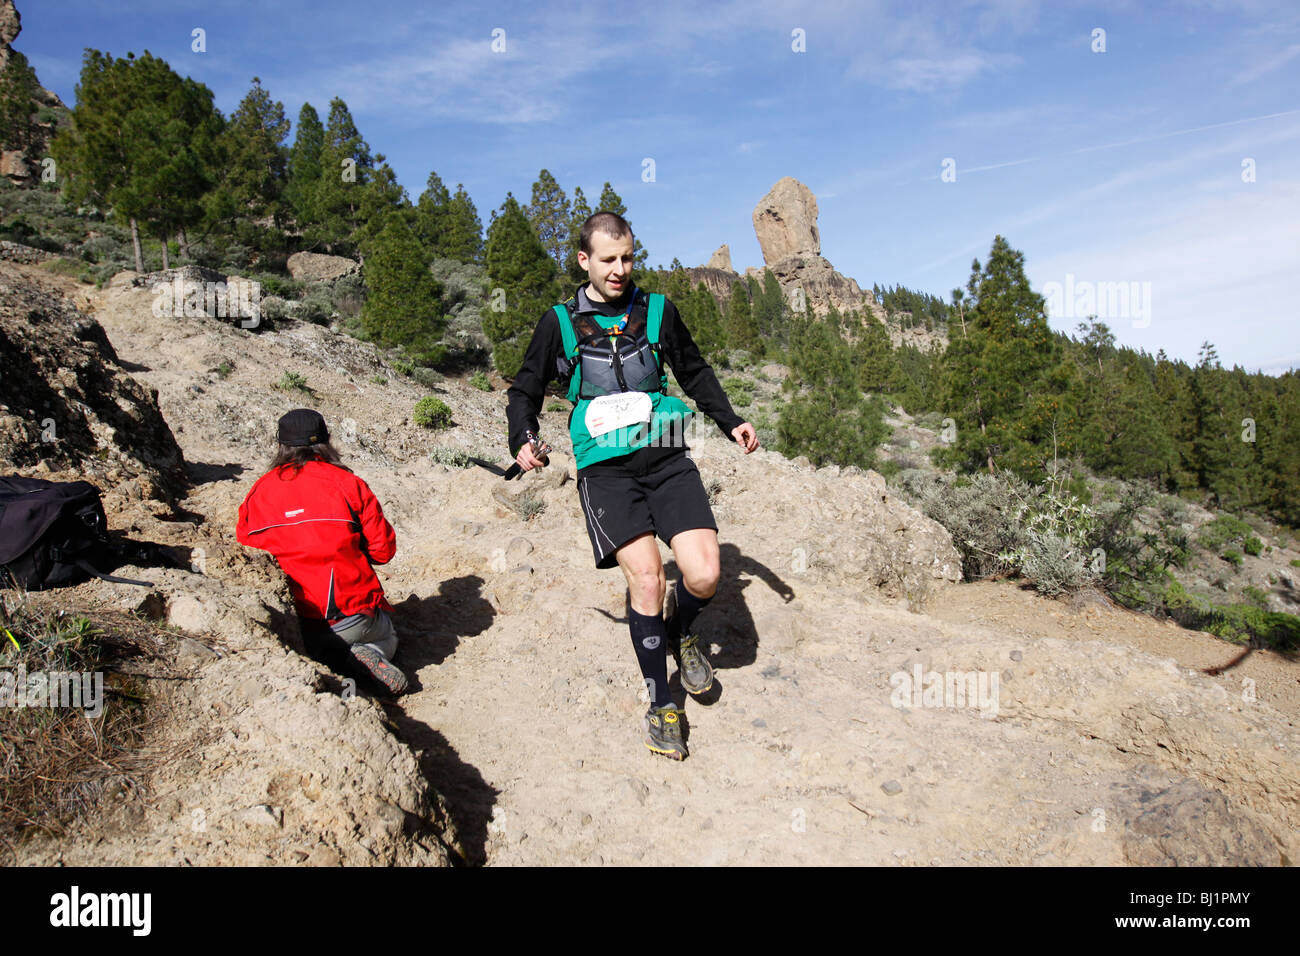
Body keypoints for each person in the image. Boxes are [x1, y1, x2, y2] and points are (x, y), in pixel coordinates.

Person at [507, 211, 759, 760]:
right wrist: (522, 436)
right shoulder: (559, 322)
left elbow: (693, 371)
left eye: (627, 258)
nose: (619, 270)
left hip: (667, 450)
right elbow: (525, 388)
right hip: (606, 468)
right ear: (584, 261)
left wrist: (728, 418)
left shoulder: (658, 310)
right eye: (607, 260)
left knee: (705, 573)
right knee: (647, 581)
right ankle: (659, 702)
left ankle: (681, 632)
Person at [236, 408, 409, 695]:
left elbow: (247, 554)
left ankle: (330, 660)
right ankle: (368, 654)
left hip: (292, 622)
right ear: (325, 442)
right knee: (389, 634)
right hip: (350, 614)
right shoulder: (347, 483)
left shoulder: (258, 492)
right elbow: (383, 551)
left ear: (281, 445)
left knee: (320, 646)